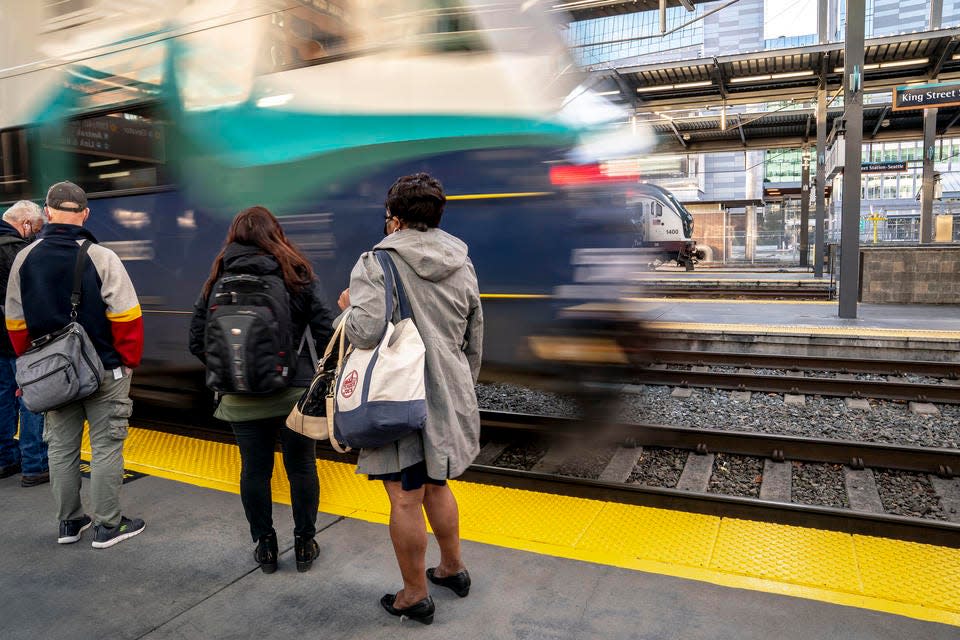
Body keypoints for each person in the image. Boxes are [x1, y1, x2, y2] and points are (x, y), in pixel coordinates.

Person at [337, 173, 483, 625]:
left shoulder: (375, 263)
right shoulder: (462, 260)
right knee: (437, 483)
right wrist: (460, 387)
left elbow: (365, 331)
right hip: (448, 390)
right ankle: (452, 569)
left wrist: (348, 305)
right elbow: (473, 334)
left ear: (394, 219)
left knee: (405, 496)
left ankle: (414, 594)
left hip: (397, 395)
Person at [189, 206, 335, 574]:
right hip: (293, 394)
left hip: (240, 399)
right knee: (301, 466)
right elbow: (325, 332)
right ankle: (304, 544)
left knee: (254, 470)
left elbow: (196, 341)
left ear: (234, 237)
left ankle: (266, 547)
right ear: (277, 234)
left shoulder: (217, 278)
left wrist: (233, 371)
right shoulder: (296, 273)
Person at [5, 182, 145, 547]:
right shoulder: (102, 257)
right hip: (104, 370)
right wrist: (126, 362)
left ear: (47, 213)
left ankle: (69, 523)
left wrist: (32, 365)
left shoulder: (25, 258)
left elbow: (15, 323)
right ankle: (108, 525)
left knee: (61, 448)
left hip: (53, 374)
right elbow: (128, 318)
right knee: (105, 446)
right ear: (84, 214)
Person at [0, 200, 48, 487]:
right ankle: (35, 464)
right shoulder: (18, 252)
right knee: (32, 398)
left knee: (3, 397)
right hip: (19, 338)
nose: (35, 235)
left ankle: (5, 458)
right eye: (36, 229)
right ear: (26, 223)